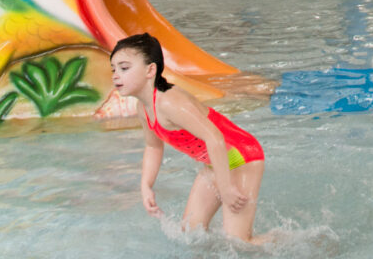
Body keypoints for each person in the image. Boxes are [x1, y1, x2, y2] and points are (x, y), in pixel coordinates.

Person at [109, 33, 265, 242]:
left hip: (242, 158)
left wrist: (226, 188)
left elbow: (215, 138)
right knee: (191, 234)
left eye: (124, 68)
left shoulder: (170, 103)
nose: (115, 75)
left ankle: (307, 245)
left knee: (239, 243)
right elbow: (153, 146)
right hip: (216, 164)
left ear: (150, 70)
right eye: (114, 69)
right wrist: (146, 186)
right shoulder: (144, 107)